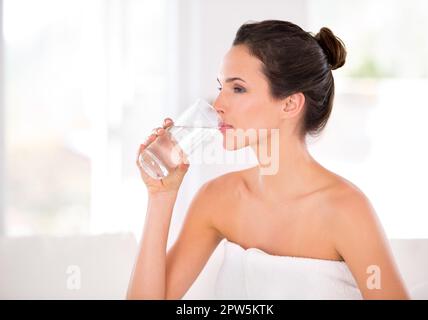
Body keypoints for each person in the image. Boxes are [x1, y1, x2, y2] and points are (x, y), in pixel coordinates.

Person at [127, 20, 410, 300]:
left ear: (290, 104)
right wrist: (161, 195)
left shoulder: (346, 210)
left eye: (237, 89)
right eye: (220, 87)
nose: (218, 105)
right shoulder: (216, 200)